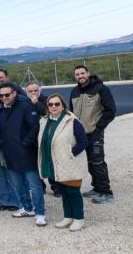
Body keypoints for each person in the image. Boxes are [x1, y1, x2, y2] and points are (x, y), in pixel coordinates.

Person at [39, 94, 89, 231]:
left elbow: (83, 141)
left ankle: (79, 218)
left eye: (57, 104)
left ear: (62, 105)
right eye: (51, 104)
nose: (54, 107)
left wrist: (71, 153)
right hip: (54, 163)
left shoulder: (72, 121)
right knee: (63, 191)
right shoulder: (45, 121)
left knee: (73, 192)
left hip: (69, 163)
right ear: (47, 107)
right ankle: (68, 216)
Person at [0, 83, 46, 226]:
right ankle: (27, 208)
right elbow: (2, 131)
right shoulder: (2, 110)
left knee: (34, 184)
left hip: (26, 153)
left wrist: (25, 144)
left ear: (14, 94)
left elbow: (34, 127)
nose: (4, 97)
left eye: (7, 94)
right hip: (10, 153)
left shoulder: (26, 106)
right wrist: (3, 145)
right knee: (18, 184)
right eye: (2, 95)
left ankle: (40, 213)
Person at [70, 65, 116, 204]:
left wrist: (98, 127)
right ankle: (96, 188)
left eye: (82, 73)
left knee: (98, 162)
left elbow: (110, 110)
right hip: (81, 135)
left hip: (94, 133)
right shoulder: (74, 91)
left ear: (88, 73)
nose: (80, 76)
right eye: (77, 74)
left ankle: (106, 192)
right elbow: (72, 113)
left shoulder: (101, 89)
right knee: (89, 162)